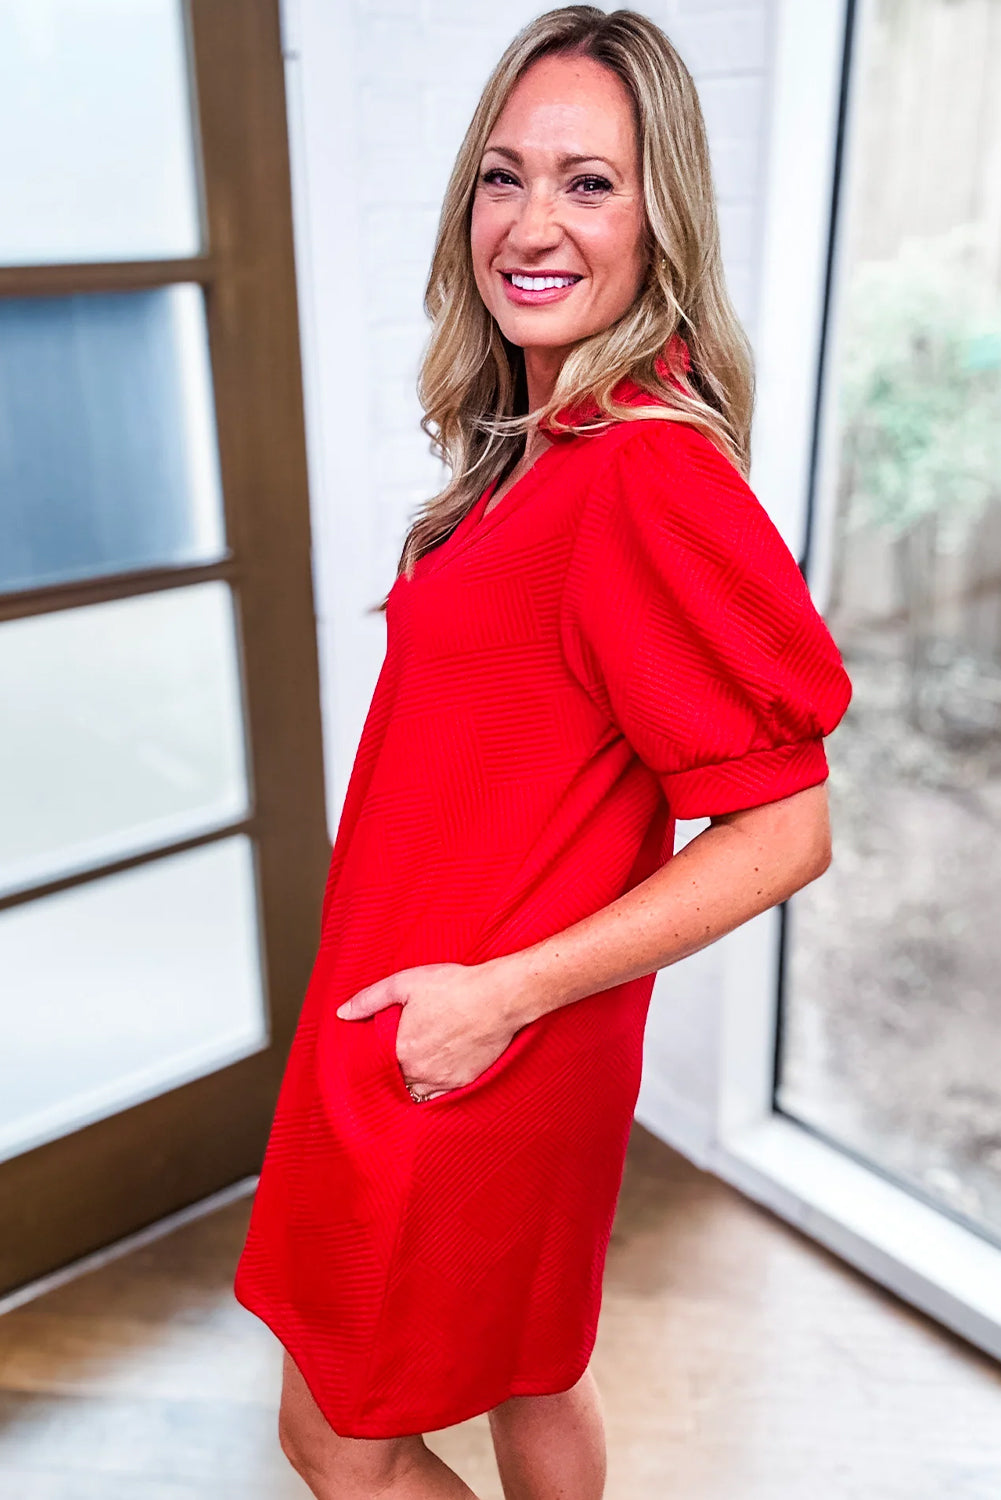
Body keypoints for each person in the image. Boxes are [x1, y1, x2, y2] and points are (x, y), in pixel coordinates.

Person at [233, 6, 853, 1497]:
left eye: (589, 182)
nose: (531, 221)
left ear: (661, 219)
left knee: (334, 1436)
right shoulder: (532, 453)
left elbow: (784, 833)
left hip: (472, 1044)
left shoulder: (643, 475)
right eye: (504, 176)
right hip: (444, 1019)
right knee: (534, 1374)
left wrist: (491, 1000)